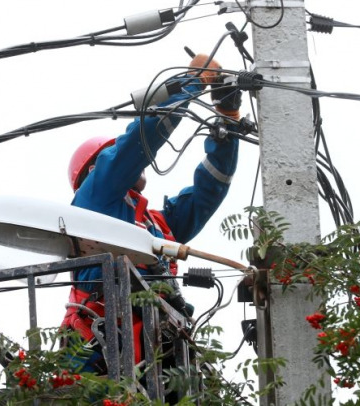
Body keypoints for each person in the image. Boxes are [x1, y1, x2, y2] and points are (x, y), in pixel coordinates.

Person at [60, 54, 242, 374]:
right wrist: (193, 82)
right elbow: (137, 144)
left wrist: (228, 120)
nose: (134, 164)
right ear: (93, 168)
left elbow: (206, 195)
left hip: (152, 355)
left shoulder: (154, 224)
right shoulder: (95, 198)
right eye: (110, 156)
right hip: (98, 358)